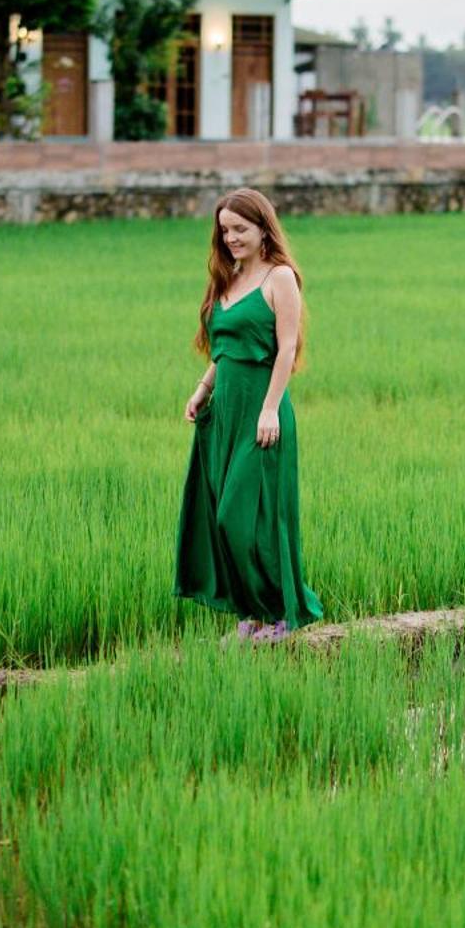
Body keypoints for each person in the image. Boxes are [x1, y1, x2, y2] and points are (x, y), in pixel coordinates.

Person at [174, 187, 323, 639]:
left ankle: (281, 613)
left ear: (263, 228)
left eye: (240, 228)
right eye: (225, 230)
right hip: (226, 414)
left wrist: (271, 409)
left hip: (263, 411)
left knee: (245, 518)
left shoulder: (280, 278)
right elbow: (224, 351)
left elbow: (287, 348)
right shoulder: (229, 277)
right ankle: (251, 616)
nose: (232, 238)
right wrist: (202, 391)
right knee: (220, 516)